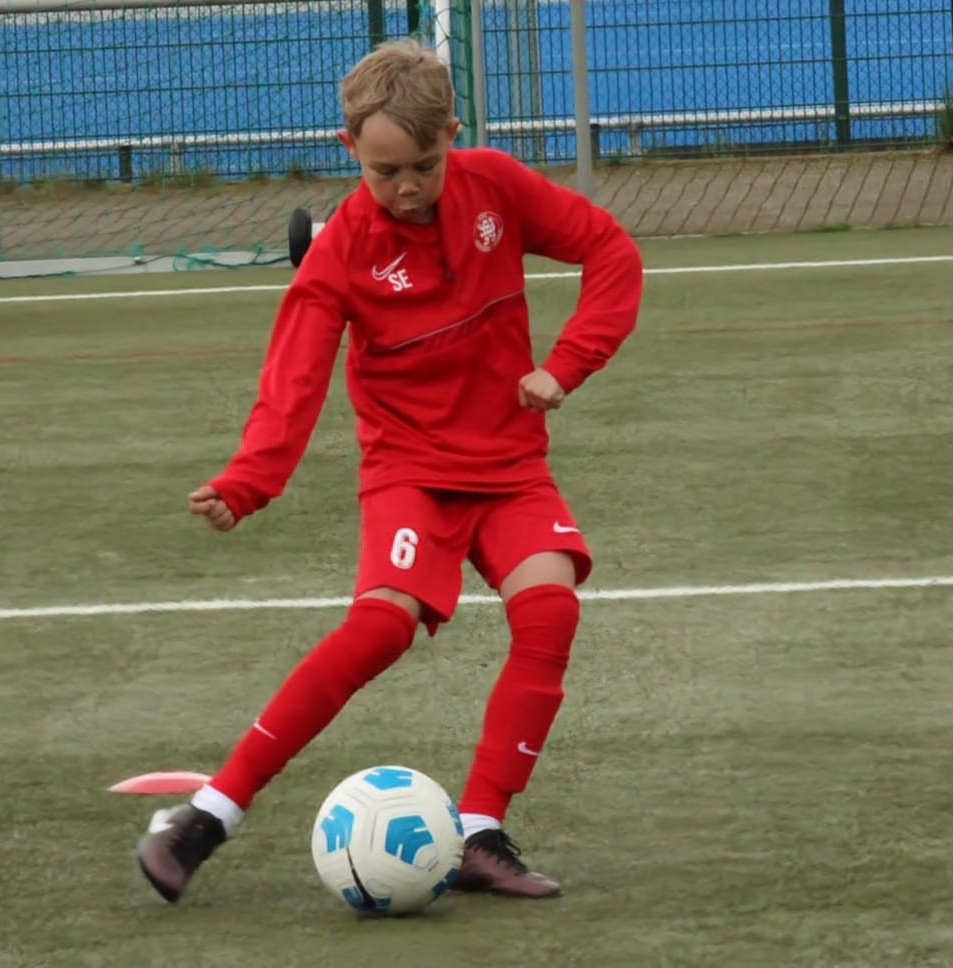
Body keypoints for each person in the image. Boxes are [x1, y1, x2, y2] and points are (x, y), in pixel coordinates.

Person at [134, 37, 643, 904]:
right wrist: (247, 482)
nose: (406, 187)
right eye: (383, 172)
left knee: (550, 610)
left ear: (453, 135)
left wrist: (565, 366)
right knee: (380, 629)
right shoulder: (339, 253)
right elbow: (293, 379)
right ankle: (208, 816)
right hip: (410, 469)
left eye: (423, 166)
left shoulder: (496, 186)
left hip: (509, 464)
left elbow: (612, 252)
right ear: (349, 151)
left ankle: (479, 832)